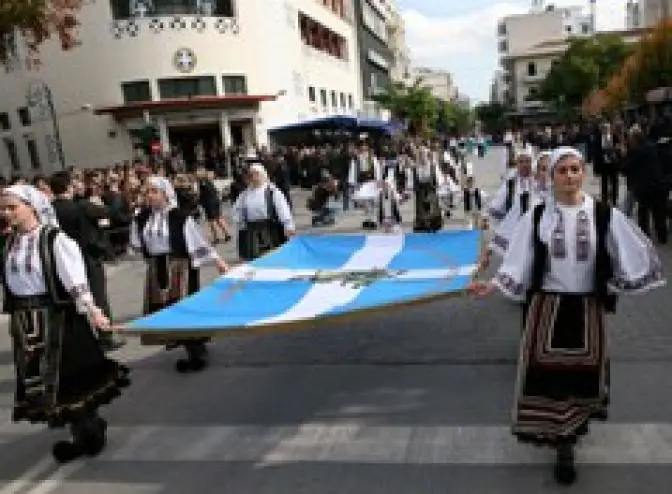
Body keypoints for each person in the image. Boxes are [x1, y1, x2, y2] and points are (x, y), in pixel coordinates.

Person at [469, 147, 665, 485]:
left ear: (584, 174)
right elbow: (519, 258)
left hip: (588, 306)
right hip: (548, 306)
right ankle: (563, 444)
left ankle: (571, 433)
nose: (570, 176)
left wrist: (624, 277)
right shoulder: (538, 215)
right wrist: (495, 285)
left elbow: (628, 251)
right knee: (549, 377)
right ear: (552, 177)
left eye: (576, 169)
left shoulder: (605, 214)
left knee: (581, 376)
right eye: (563, 171)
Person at [0, 185, 130, 463]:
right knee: (48, 388)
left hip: (59, 320)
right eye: (3, 208)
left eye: (12, 207)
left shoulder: (54, 239)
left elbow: (75, 282)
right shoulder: (10, 242)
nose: (7, 213)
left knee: (71, 382)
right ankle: (80, 432)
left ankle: (89, 431)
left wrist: (93, 311)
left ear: (32, 207)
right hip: (27, 323)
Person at [130, 176, 229, 372]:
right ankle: (178, 339)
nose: (149, 196)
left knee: (184, 309)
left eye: (153, 191)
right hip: (157, 267)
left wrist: (218, 262)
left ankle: (195, 350)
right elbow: (137, 244)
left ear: (165, 194)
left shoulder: (180, 217)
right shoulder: (141, 218)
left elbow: (199, 242)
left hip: (180, 266)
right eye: (147, 192)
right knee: (165, 308)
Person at [232, 163, 296, 260]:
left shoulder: (273, 191)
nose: (253, 177)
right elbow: (237, 210)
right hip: (251, 230)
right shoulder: (244, 194)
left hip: (270, 228)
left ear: (263, 175)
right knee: (254, 259)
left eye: (256, 174)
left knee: (273, 257)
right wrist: (240, 223)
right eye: (251, 174)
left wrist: (289, 225)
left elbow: (282, 208)